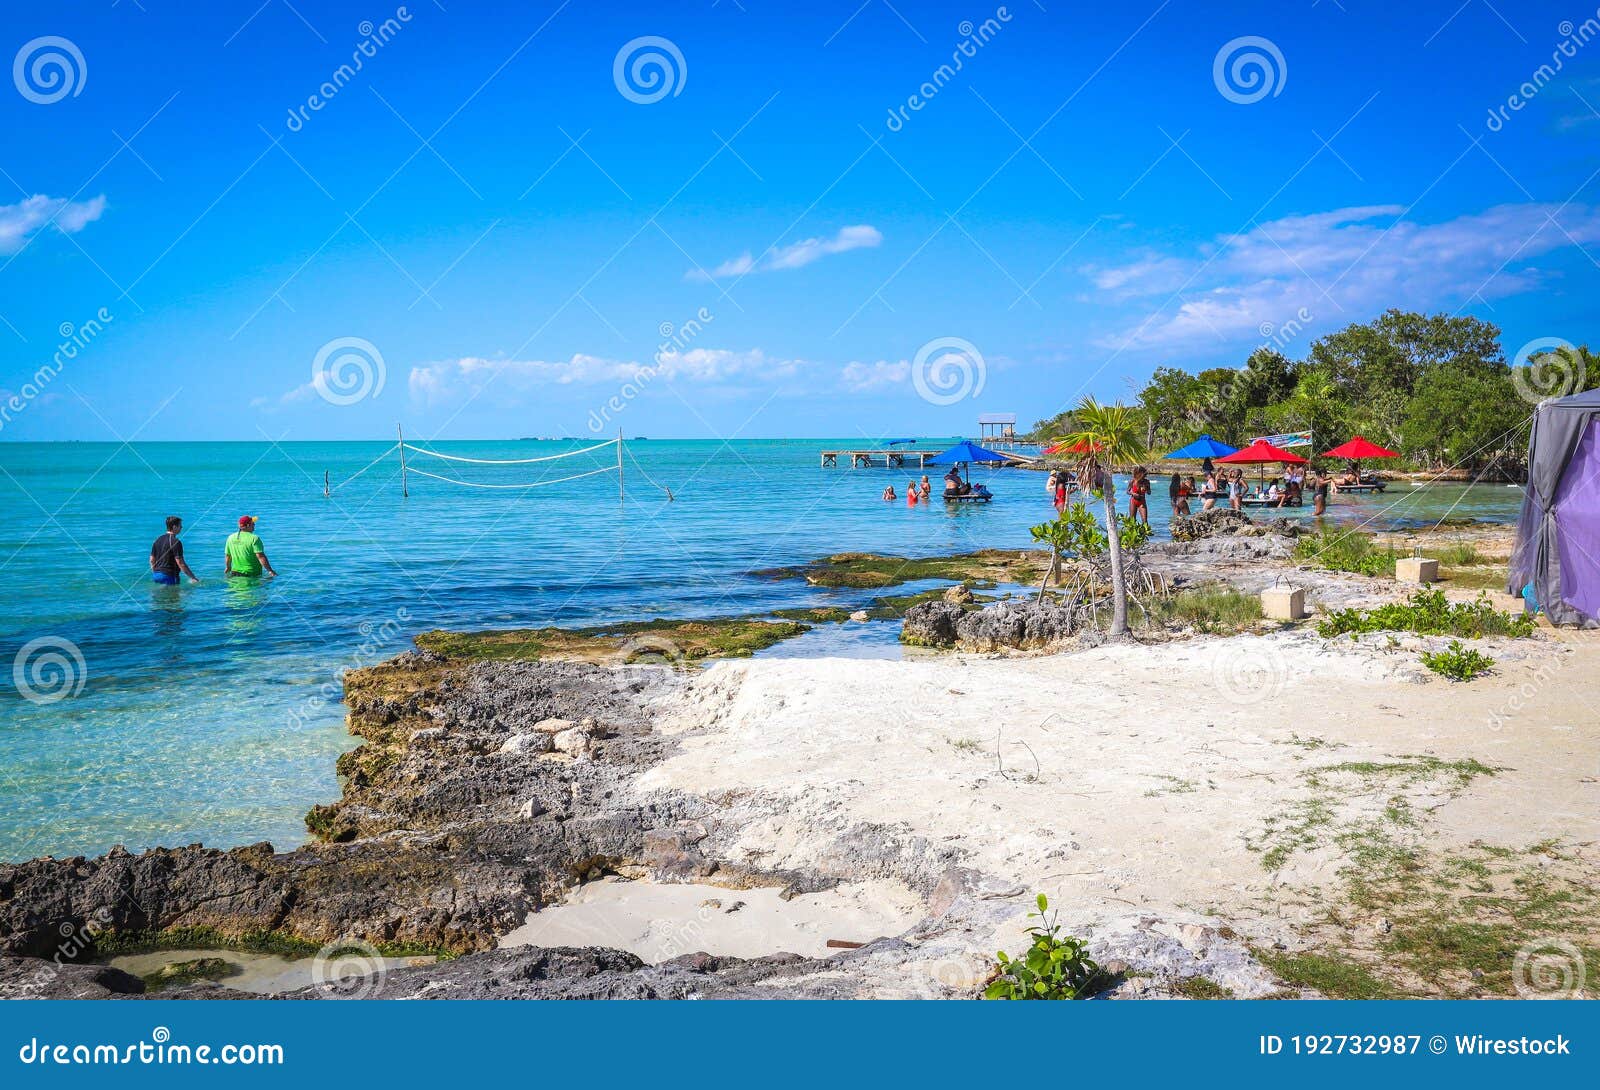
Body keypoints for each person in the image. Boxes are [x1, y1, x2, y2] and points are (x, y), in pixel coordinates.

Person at [149, 515, 201, 586]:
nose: (181, 527)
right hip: (169, 576)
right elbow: (180, 563)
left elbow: (152, 560)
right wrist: (193, 577)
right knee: (175, 596)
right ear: (174, 527)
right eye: (180, 526)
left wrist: (156, 573)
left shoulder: (157, 540)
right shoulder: (176, 542)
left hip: (156, 576)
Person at [224, 515, 278, 579]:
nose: (254, 525)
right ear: (248, 525)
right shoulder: (254, 538)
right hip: (251, 574)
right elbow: (260, 557)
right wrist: (270, 571)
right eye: (253, 523)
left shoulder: (230, 537)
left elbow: (228, 555)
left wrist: (228, 567)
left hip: (234, 573)